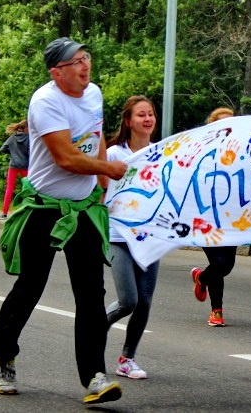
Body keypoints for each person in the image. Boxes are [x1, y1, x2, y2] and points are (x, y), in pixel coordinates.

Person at [0, 37, 127, 405]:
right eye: (76, 62)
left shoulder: (94, 93)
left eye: (86, 58)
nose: (85, 66)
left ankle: (95, 378)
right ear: (57, 72)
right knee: (31, 287)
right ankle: (4, 355)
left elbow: (94, 136)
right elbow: (66, 158)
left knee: (91, 294)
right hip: (45, 208)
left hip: (82, 209)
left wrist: (100, 182)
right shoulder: (46, 101)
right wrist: (109, 168)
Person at [105, 95, 161, 379]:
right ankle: (94, 328)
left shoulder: (161, 153)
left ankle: (127, 359)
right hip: (118, 235)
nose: (148, 119)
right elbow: (101, 189)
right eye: (141, 115)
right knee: (128, 300)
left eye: (150, 114)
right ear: (129, 121)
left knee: (146, 302)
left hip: (150, 237)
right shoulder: (114, 154)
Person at [190, 107, 238, 327]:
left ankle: (201, 278)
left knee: (226, 265)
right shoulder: (200, 153)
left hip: (232, 218)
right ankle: (216, 311)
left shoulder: (242, 154)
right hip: (205, 217)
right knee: (218, 262)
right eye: (222, 126)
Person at [0, 119, 30, 219]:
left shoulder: (12, 137)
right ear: (26, 128)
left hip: (13, 166)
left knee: (9, 189)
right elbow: (31, 152)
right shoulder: (28, 138)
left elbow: (2, 149)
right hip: (25, 166)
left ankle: (4, 213)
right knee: (28, 188)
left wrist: (13, 153)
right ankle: (25, 211)